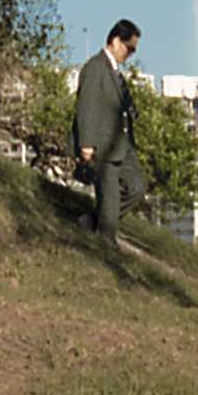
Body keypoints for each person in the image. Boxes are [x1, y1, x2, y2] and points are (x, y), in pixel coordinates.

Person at [73, 18, 146, 241]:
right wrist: (86, 144)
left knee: (137, 187)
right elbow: (87, 105)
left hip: (122, 146)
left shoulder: (116, 73)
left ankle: (93, 221)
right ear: (116, 41)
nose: (131, 53)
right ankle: (106, 243)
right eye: (129, 47)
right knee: (110, 198)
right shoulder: (95, 67)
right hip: (102, 147)